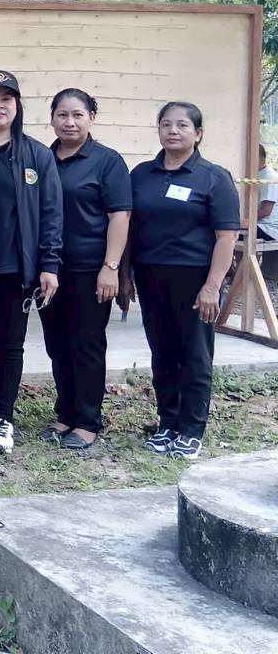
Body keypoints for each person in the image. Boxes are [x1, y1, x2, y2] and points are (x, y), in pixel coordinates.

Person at [124, 102, 239, 460]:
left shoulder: (214, 177)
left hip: (195, 280)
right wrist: (125, 275)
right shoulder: (141, 175)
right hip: (150, 276)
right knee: (163, 352)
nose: (173, 131)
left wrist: (212, 286)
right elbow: (129, 228)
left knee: (194, 355)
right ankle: (168, 423)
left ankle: (191, 429)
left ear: (198, 134)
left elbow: (226, 238)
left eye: (182, 125)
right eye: (166, 124)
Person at [0, 70, 62, 455]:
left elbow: (51, 214)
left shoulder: (37, 155)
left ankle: (3, 416)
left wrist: (49, 264)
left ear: (17, 106)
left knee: (9, 346)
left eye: (6, 99)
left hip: (14, 271)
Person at [38, 89, 130, 451]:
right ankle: (65, 414)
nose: (69, 122)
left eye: (78, 115)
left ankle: (88, 421)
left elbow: (119, 216)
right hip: (50, 269)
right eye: (62, 115)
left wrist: (111, 267)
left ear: (92, 117)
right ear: (52, 118)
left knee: (86, 344)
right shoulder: (42, 158)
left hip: (90, 269)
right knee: (57, 343)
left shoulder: (107, 161)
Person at [257, 144, 278, 241]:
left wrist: (246, 221)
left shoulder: (269, 176)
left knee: (229, 232)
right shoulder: (258, 174)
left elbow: (266, 211)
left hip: (269, 228)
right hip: (260, 225)